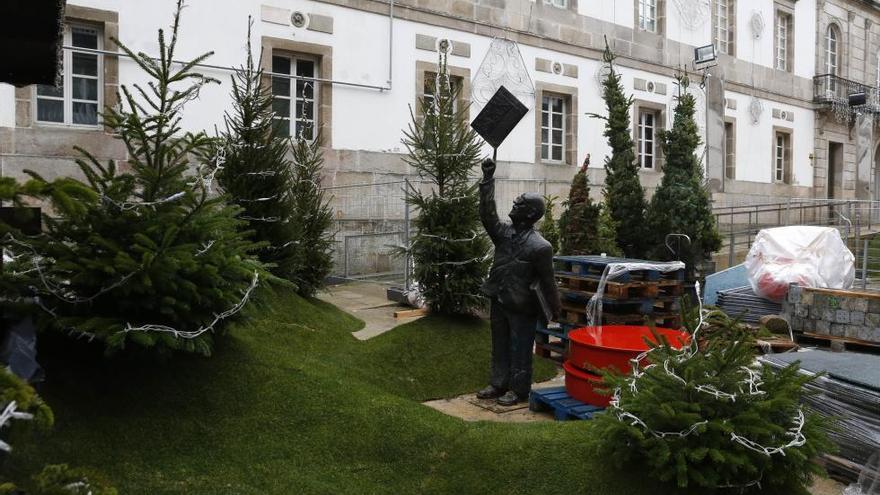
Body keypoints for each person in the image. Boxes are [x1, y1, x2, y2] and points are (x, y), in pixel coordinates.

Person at [476, 157, 561, 406]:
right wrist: (488, 179)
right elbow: (487, 213)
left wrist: (556, 310)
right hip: (500, 299)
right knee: (499, 344)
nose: (514, 203)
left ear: (531, 214)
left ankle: (518, 389)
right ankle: (498, 382)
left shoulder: (540, 247)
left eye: (520, 203)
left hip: (523, 306)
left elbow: (549, 281)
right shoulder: (503, 234)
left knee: (520, 348)